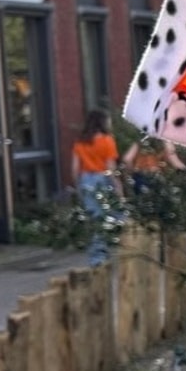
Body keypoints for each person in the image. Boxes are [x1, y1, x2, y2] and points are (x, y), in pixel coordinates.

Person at [69, 109, 122, 264]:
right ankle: (108, 252)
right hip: (103, 178)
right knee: (113, 215)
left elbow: (74, 169)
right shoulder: (107, 141)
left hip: (86, 179)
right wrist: (118, 186)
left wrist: (78, 186)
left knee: (94, 218)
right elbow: (110, 167)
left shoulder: (80, 142)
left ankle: (97, 256)